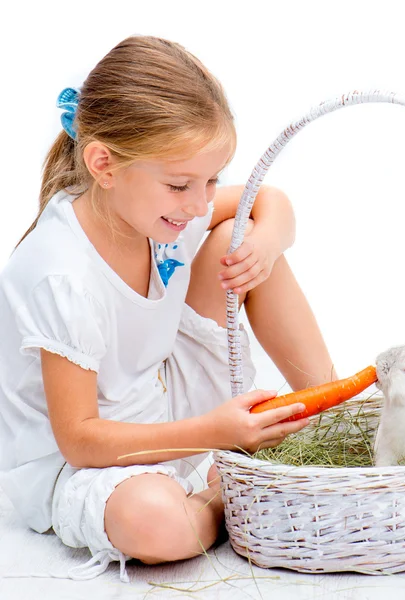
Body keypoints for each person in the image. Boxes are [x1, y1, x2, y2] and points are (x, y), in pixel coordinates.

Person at [0, 35, 336, 582]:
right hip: (88, 462)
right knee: (157, 524)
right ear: (103, 164)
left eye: (211, 181)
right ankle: (225, 495)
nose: (201, 203)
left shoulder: (160, 209)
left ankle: (332, 411)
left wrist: (268, 240)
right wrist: (215, 433)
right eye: (182, 184)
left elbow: (269, 201)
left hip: (161, 395)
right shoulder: (60, 274)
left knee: (240, 239)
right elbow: (80, 439)